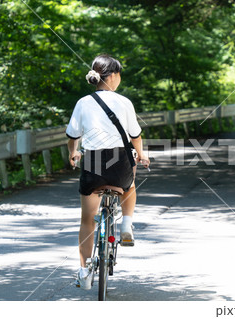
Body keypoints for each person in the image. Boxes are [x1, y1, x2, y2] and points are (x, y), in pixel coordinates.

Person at [66, 54, 150, 290]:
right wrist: (141, 155)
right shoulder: (124, 102)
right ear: (112, 76)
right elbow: (135, 136)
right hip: (119, 163)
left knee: (86, 220)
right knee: (129, 186)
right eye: (119, 74)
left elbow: (73, 136)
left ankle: (84, 272)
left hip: (92, 162)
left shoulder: (83, 102)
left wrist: (74, 153)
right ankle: (126, 224)